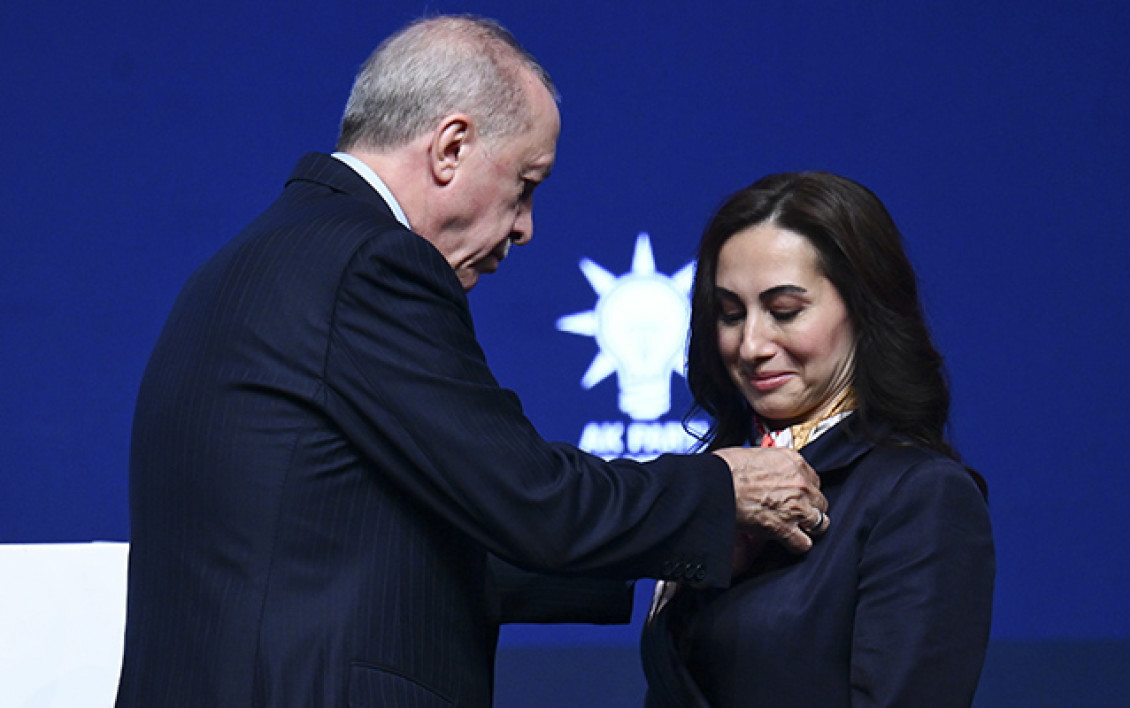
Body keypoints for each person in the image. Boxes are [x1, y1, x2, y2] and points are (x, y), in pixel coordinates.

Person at [115, 15, 829, 708]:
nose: (525, 227)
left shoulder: (252, 263)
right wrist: (717, 492)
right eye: (526, 184)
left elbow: (370, 547)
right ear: (451, 148)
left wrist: (670, 554)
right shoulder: (369, 262)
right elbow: (529, 497)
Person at [641, 172, 995, 707]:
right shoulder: (721, 484)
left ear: (863, 308)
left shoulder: (921, 495)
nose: (751, 344)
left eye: (785, 311)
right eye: (730, 314)